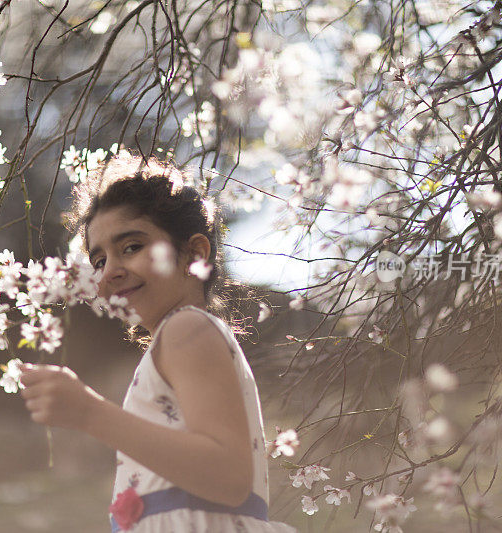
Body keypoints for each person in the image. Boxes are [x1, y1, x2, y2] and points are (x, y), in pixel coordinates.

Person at [18, 152, 297, 532]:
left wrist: (89, 413)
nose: (110, 271)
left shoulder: (188, 329)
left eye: (131, 247)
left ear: (195, 254)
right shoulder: (177, 338)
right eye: (99, 260)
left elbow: (228, 476)